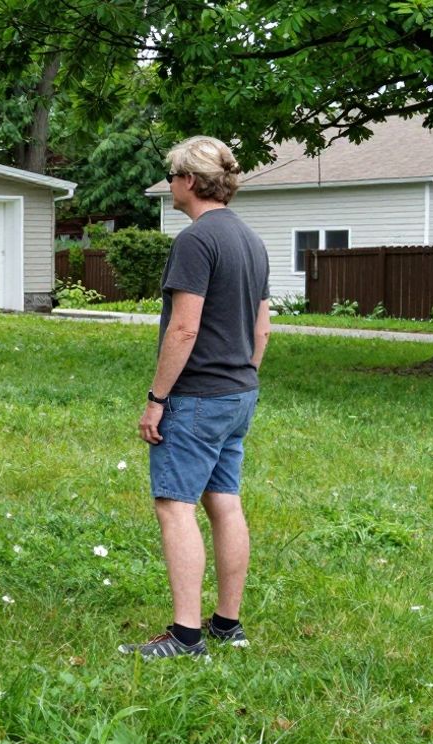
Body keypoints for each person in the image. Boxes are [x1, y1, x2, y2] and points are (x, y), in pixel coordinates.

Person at [119, 136, 272, 660]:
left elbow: (183, 330)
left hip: (198, 397)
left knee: (174, 506)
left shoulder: (196, 241)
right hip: (238, 393)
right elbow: (263, 329)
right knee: (225, 503)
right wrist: (242, 379)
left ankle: (186, 637)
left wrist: (157, 398)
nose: (169, 185)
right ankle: (228, 625)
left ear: (188, 181)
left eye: (172, 176)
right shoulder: (250, 240)